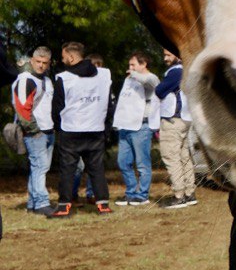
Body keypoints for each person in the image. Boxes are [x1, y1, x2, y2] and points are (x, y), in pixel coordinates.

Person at [49, 41, 112, 217]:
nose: (62, 60)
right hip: (96, 128)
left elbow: (57, 107)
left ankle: (64, 206)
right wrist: (105, 124)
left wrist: (58, 126)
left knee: (68, 169)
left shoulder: (64, 78)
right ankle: (103, 205)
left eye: (63, 57)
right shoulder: (104, 74)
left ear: (71, 56)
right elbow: (107, 102)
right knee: (97, 168)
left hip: (71, 130)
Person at [11, 46, 56, 215]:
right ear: (32, 60)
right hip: (35, 132)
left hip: (48, 130)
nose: (41, 65)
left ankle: (33, 203)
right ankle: (41, 204)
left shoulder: (46, 80)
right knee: (40, 167)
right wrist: (34, 130)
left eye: (45, 62)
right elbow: (23, 109)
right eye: (38, 62)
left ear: (49, 63)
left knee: (37, 168)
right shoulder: (25, 79)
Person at [112, 52, 160, 206]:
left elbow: (149, 82)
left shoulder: (151, 78)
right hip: (125, 126)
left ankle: (142, 195)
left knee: (142, 163)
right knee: (123, 162)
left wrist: (133, 74)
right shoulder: (129, 79)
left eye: (133, 65)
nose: (129, 68)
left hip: (141, 127)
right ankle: (131, 193)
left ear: (144, 64)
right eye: (129, 65)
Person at [155, 49, 197, 209]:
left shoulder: (175, 72)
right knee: (184, 156)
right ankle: (189, 192)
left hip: (173, 119)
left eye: (168, 55)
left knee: (171, 156)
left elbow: (159, 91)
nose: (165, 58)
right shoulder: (188, 70)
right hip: (185, 119)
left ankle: (179, 195)